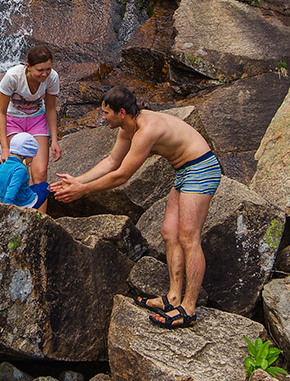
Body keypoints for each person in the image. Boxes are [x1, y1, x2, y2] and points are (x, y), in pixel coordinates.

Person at [50, 86, 220, 329]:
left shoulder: (145, 130)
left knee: (188, 237)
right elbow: (111, 162)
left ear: (121, 112)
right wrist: (79, 181)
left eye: (105, 113)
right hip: (184, 171)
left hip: (201, 168)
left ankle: (188, 309)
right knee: (169, 233)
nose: (103, 117)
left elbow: (122, 176)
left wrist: (84, 191)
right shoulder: (126, 129)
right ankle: (173, 298)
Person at [0, 44, 61, 208]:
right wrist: (4, 147)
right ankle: (14, 215)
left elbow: (51, 108)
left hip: (37, 121)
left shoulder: (52, 78)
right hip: (13, 121)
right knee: (16, 171)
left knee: (40, 172)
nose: (45, 74)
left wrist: (54, 140)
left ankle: (40, 220)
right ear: (28, 66)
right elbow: (1, 112)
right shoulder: (13, 77)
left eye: (48, 69)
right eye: (40, 70)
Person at [0, 131, 47, 210]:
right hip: (24, 204)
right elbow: (13, 188)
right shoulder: (20, 169)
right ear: (25, 156)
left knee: (34, 187)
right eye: (32, 156)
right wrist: (9, 208)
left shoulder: (1, 166)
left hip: (6, 200)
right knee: (44, 186)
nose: (32, 160)